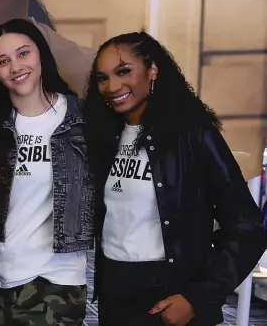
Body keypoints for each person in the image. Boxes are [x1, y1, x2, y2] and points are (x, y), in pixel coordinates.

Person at [84, 32, 267, 326]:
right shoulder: (104, 136)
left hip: (169, 293)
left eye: (124, 71)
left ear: (152, 70)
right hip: (115, 292)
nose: (112, 86)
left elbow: (246, 226)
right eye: (102, 78)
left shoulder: (192, 135)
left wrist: (198, 297)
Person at [0, 18, 94, 326]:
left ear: (41, 55)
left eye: (23, 53)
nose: (15, 66)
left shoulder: (81, 120)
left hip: (55, 281)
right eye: (3, 61)